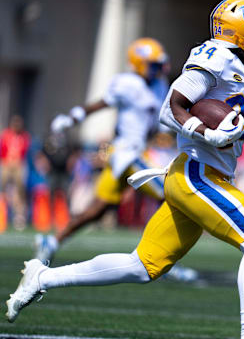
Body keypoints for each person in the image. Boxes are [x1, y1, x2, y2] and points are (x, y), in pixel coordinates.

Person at [6, 0, 244, 339]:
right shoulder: (216, 59)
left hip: (207, 176)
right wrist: (206, 133)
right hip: (195, 172)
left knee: (142, 265)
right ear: (240, 34)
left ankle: (43, 276)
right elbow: (171, 109)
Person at [33, 37, 197, 282]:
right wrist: (72, 118)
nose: (158, 68)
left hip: (134, 152)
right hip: (126, 152)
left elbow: (154, 124)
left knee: (98, 210)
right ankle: (163, 259)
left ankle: (52, 241)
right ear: (139, 63)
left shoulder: (159, 84)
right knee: (173, 194)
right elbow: (101, 104)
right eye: (152, 64)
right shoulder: (127, 83)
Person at [0, 114, 31, 230]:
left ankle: (19, 216)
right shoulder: (6, 135)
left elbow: (25, 150)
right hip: (6, 164)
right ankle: (3, 214)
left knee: (20, 191)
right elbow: (2, 149)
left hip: (19, 164)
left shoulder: (24, 136)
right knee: (3, 189)